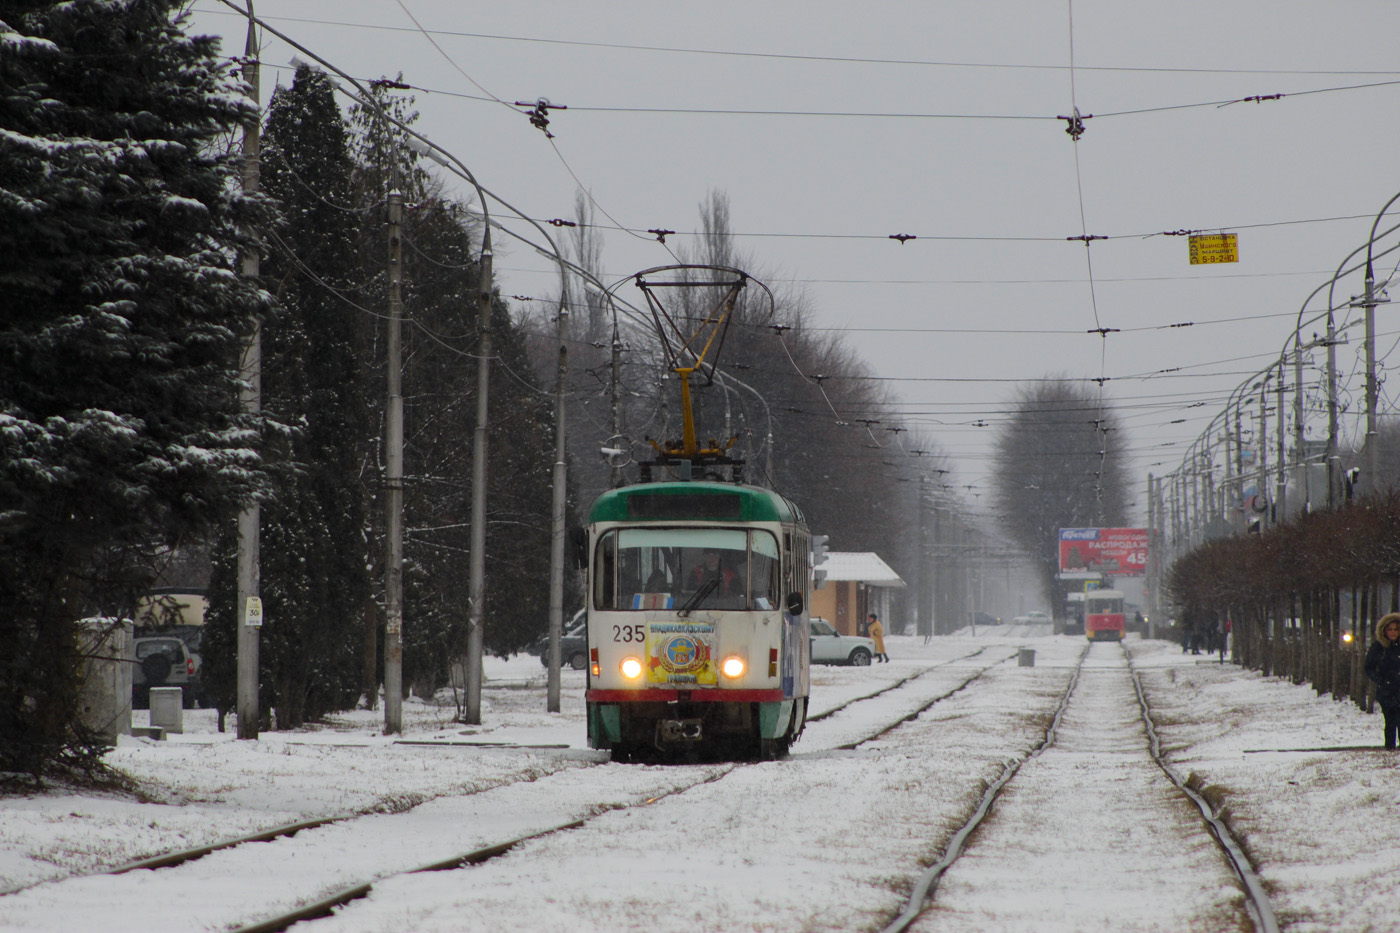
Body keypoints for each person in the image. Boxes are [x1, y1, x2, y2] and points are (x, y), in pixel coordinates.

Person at [1364, 612, 1400, 750]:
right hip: (1387, 690)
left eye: (1396, 629)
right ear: (1384, 631)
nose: (1393, 632)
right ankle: (1390, 747)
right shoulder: (1378, 647)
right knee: (1390, 721)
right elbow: (1369, 667)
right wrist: (1380, 680)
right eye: (1390, 629)